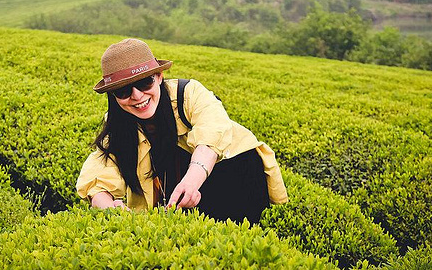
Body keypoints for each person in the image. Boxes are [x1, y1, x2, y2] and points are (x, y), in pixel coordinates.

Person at [76, 38, 288, 223]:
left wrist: (192, 181)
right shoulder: (118, 122)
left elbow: (212, 132)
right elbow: (100, 170)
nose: (137, 96)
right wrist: (107, 206)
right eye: (123, 91)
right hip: (180, 192)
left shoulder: (189, 93)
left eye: (144, 83)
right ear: (112, 95)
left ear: (159, 77)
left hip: (233, 175)